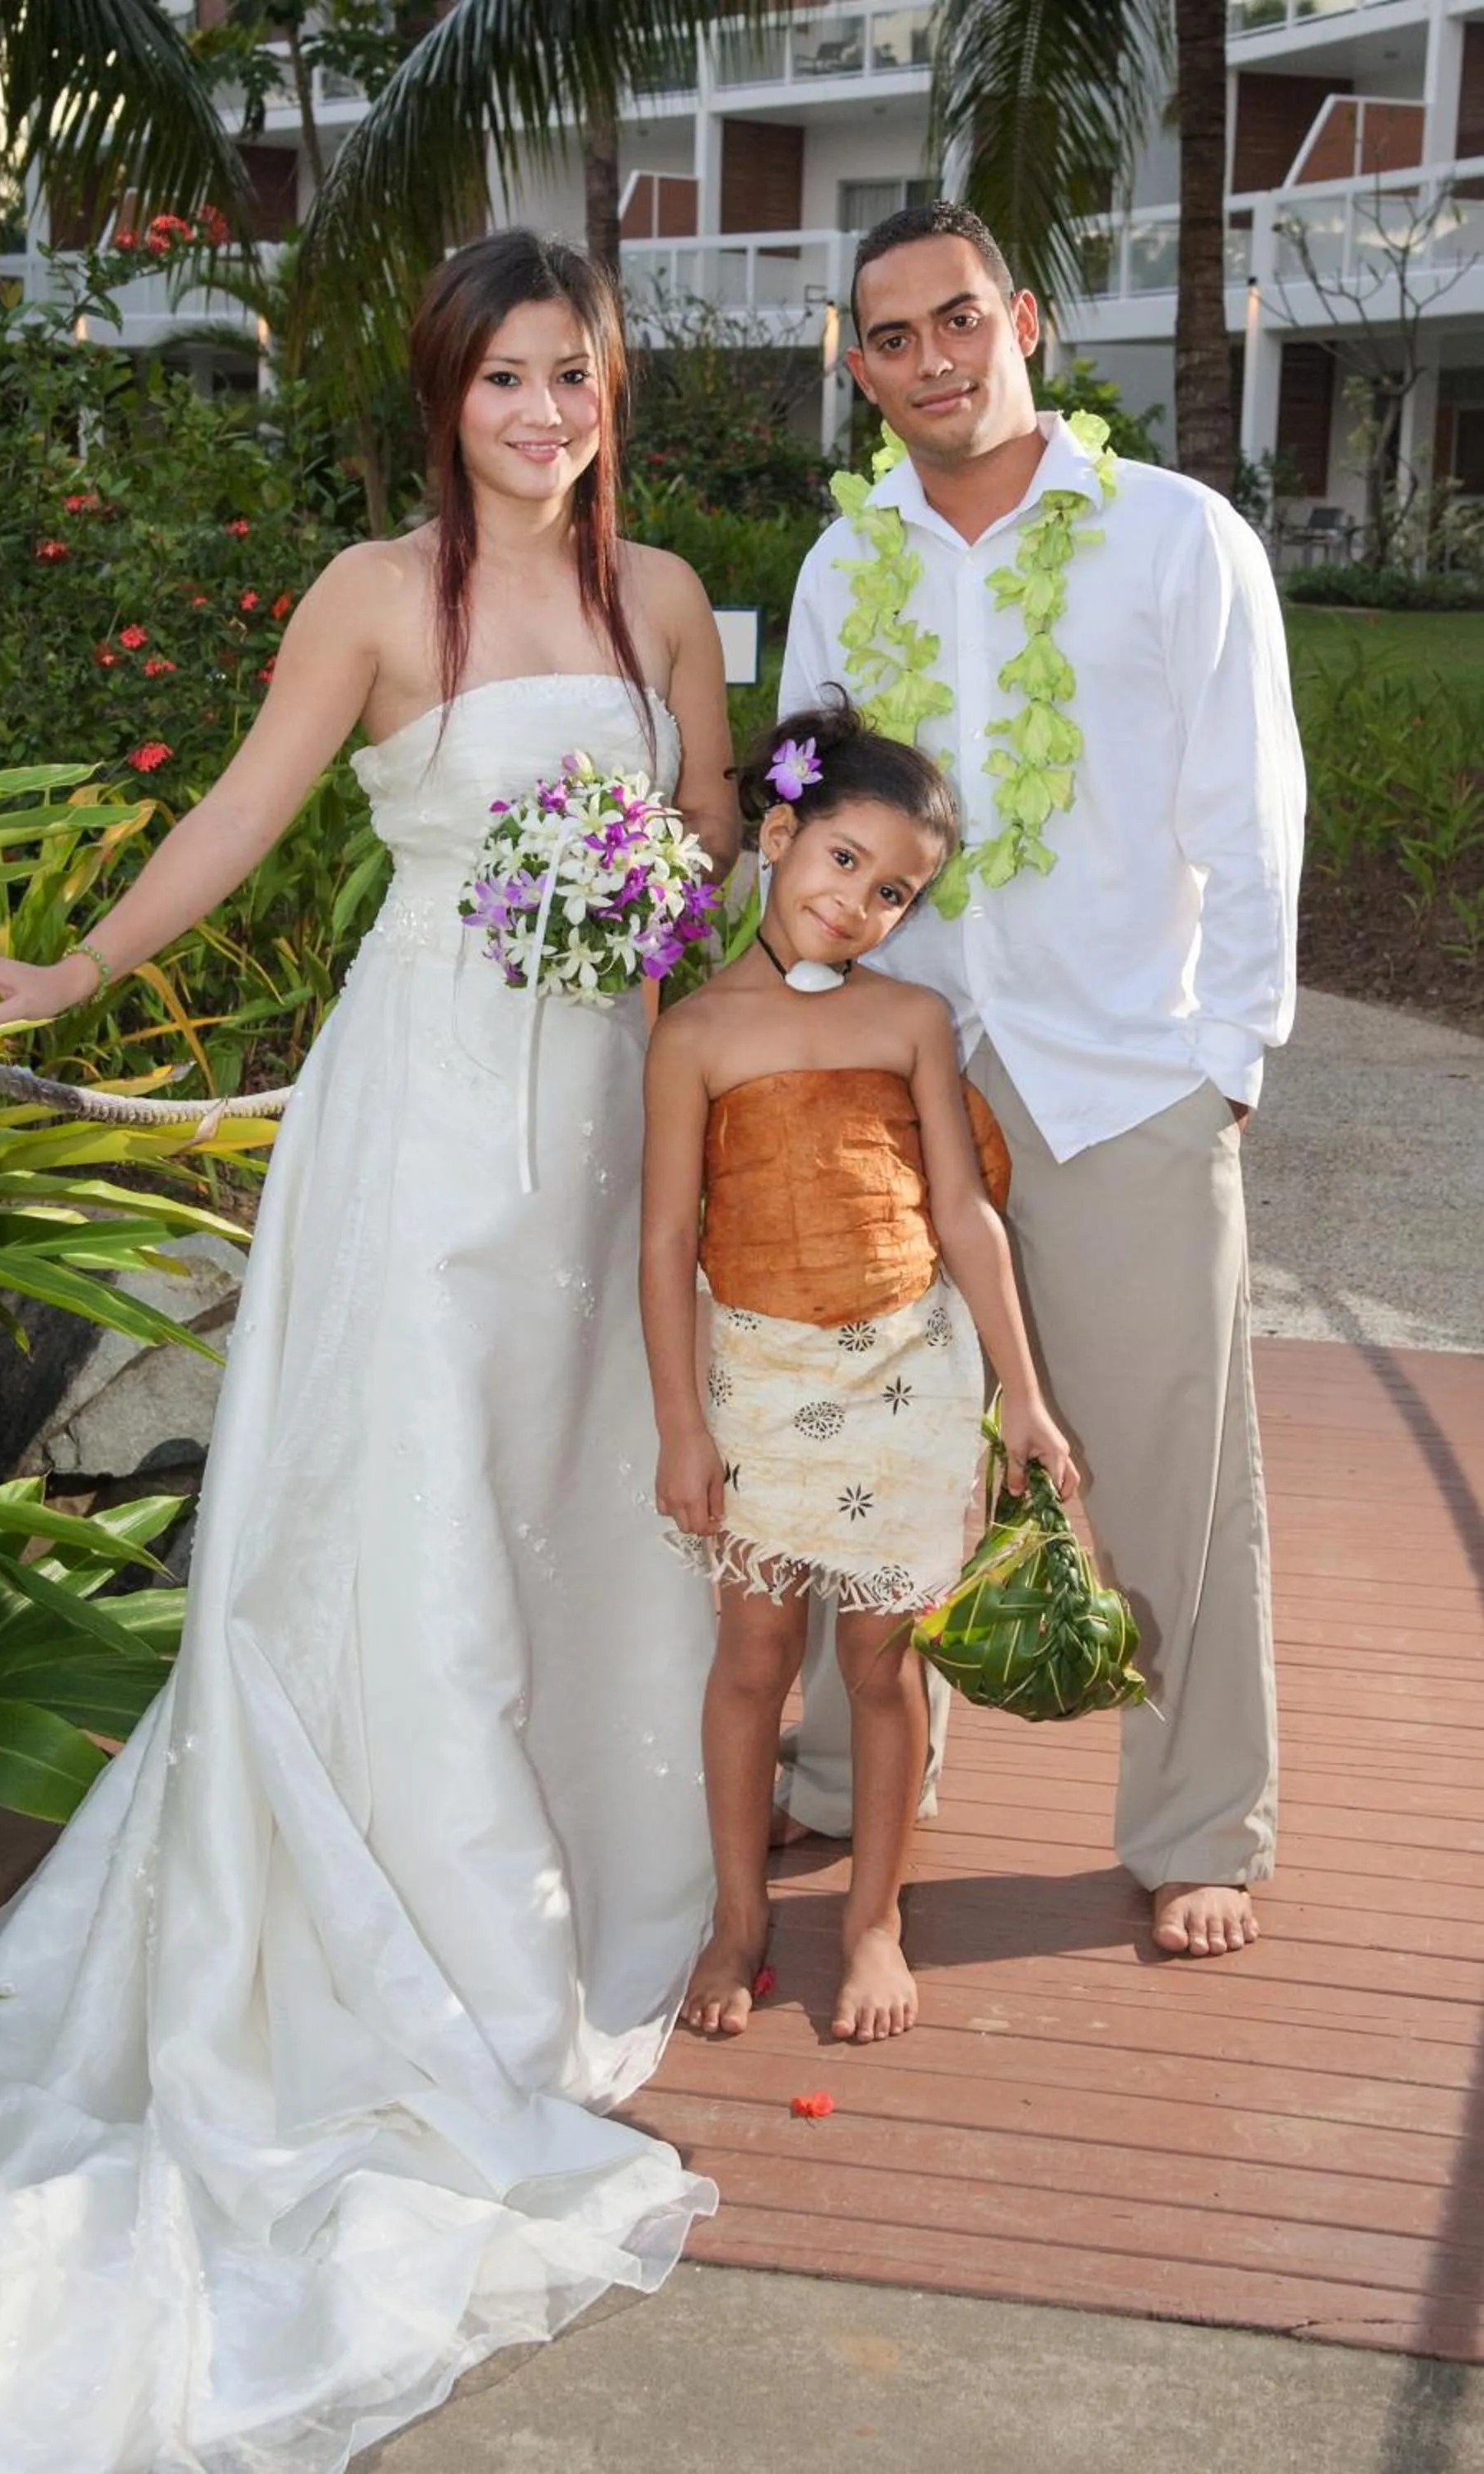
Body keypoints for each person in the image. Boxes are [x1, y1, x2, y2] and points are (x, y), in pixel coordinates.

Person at [0, 228, 742, 2472]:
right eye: (504, 381)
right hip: (426, 1120)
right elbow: (242, 820)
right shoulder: (369, 594)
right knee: (412, 1508)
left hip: (600, 1128)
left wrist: (655, 878)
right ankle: (419, 1930)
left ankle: (584, 1881)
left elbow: (714, 829)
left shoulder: (668, 602)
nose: (544, 415)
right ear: (443, 397)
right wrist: (58, 977)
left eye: (574, 374)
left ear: (612, 382)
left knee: (572, 1489)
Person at [777, 201, 1304, 1962]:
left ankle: (1193, 1821)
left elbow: (1250, 808)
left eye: (956, 323)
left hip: (1116, 1071)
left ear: (1024, 323)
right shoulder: (842, 564)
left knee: (1161, 1462)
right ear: (857, 367)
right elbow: (801, 793)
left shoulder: (1175, 537)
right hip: (899, 1069)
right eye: (888, 339)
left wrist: (1223, 1058)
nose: (930, 362)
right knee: (885, 1442)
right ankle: (857, 1782)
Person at [640, 699, 1073, 2044]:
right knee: (753, 1656)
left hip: (911, 1377)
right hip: (756, 1381)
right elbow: (663, 1242)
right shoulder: (694, 1035)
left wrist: (1027, 1403)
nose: (862, 905)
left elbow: (964, 1215)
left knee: (885, 1665)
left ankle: (874, 1919)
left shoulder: (912, 1020)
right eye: (844, 864)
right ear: (778, 834)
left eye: (894, 892)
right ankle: (738, 1915)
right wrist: (680, 1431)